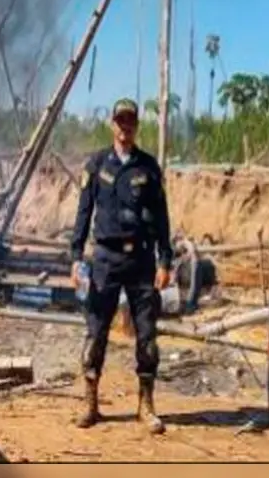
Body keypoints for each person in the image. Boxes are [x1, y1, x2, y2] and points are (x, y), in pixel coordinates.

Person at [68, 97, 173, 435]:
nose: (124, 126)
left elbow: (161, 217)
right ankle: (90, 404)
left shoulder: (148, 167)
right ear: (112, 124)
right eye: (120, 120)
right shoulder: (97, 164)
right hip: (105, 261)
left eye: (130, 121)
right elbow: (83, 214)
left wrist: (165, 258)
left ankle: (146, 405)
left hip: (141, 261)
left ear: (136, 125)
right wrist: (75, 258)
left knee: (146, 336)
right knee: (96, 332)